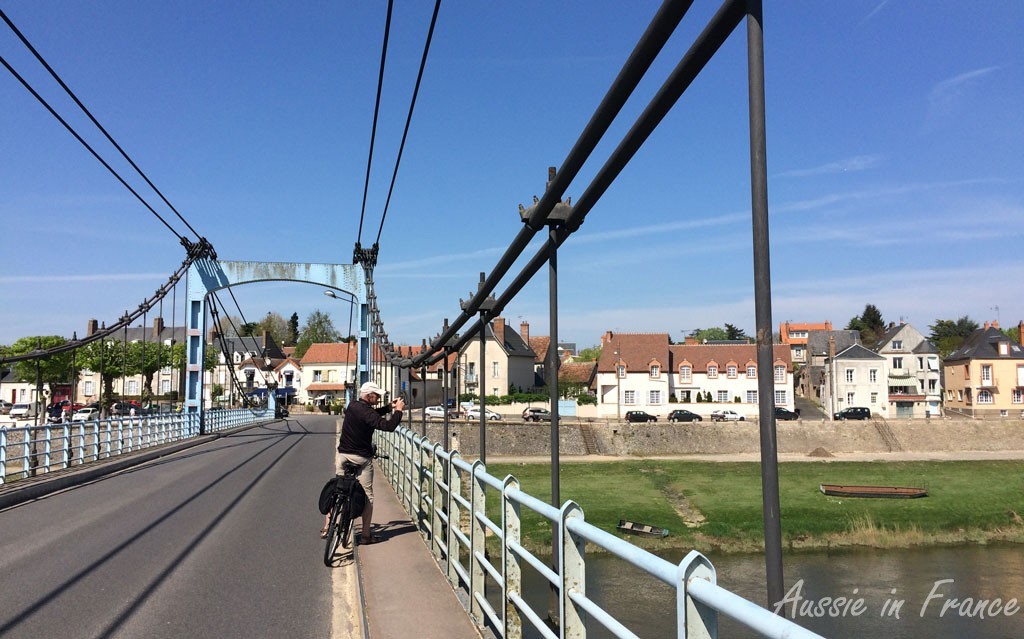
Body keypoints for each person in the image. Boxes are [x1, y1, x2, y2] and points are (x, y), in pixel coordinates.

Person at [324, 380, 404, 545]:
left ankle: (327, 526)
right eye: (377, 396)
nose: (378, 399)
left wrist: (388, 407)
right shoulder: (368, 413)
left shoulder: (352, 406)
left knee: (338, 488)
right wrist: (398, 411)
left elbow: (370, 415)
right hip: (361, 459)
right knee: (368, 495)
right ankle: (366, 536)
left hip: (343, 456)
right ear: (370, 396)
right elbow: (388, 426)